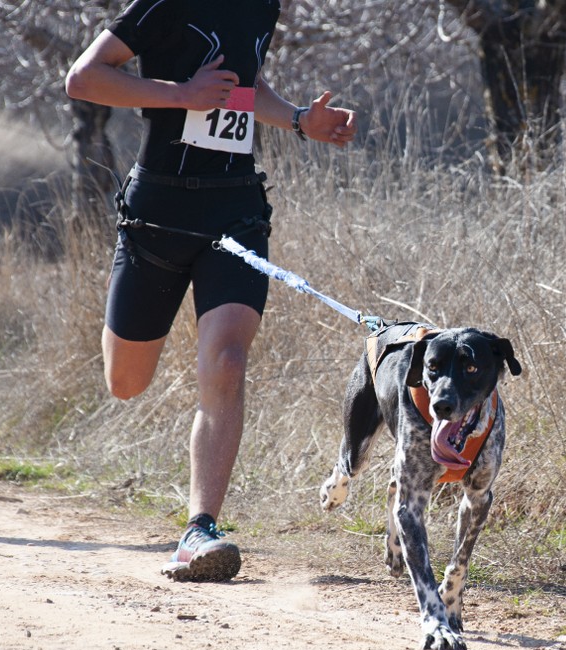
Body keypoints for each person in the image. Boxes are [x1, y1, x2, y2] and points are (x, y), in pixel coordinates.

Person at [65, 0, 357, 582]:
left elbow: (240, 90)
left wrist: (298, 119)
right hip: (158, 214)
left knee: (226, 359)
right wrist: (180, 94)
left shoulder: (263, 7)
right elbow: (85, 77)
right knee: (126, 382)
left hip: (236, 210)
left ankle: (200, 530)